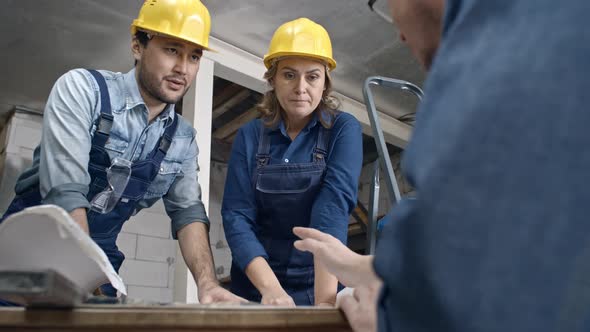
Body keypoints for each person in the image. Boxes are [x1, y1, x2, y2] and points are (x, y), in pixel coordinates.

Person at [296, 0, 590, 331]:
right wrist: (361, 266)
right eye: (289, 75)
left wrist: (389, 320)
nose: (401, 37)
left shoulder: (507, 48)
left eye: (389, 4)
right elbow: (480, 243)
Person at [1, 0, 243, 304]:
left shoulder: (182, 139)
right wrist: (86, 277)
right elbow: (65, 193)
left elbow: (188, 213)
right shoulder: (83, 90)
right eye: (172, 50)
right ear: (137, 46)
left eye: (194, 56)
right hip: (28, 248)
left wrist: (206, 285)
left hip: (101, 252)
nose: (183, 68)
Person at [221, 18, 363, 306]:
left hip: (318, 280)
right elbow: (237, 216)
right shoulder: (250, 135)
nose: (301, 87)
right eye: (289, 75)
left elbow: (332, 208)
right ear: (272, 80)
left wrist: (324, 305)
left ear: (325, 83)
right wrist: (271, 291)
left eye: (312, 76)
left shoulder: (342, 129)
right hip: (255, 283)